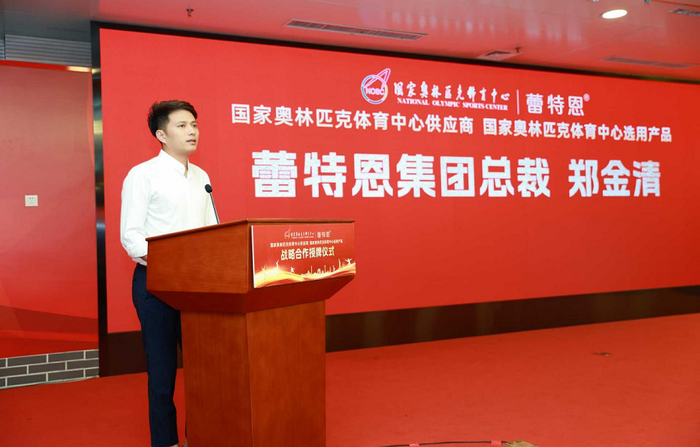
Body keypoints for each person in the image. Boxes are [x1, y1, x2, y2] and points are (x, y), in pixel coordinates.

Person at [120, 100, 217, 447]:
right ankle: (166, 442)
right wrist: (173, 261)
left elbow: (212, 233)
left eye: (194, 124)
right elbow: (132, 237)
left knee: (204, 370)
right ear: (161, 135)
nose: (192, 131)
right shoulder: (142, 175)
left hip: (197, 286)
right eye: (182, 125)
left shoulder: (202, 177)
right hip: (156, 285)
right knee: (162, 375)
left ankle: (199, 436)